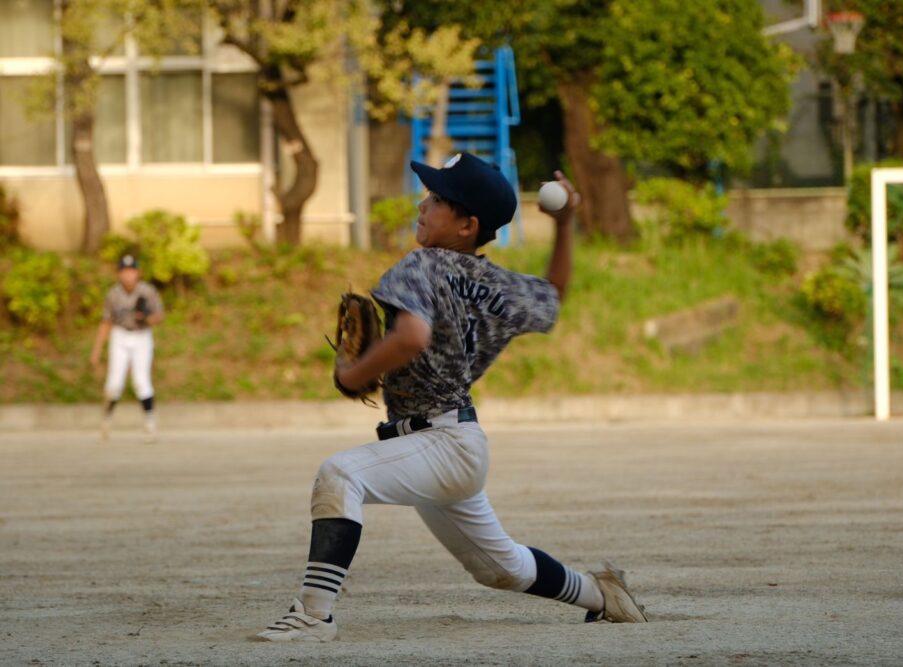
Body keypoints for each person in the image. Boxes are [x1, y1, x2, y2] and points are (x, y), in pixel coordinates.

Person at [258, 152, 647, 642]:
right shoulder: (493, 283)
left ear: (468, 224)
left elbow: (413, 336)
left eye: (440, 199)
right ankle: (601, 593)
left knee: (339, 474)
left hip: (441, 445)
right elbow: (554, 292)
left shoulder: (419, 265)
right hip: (454, 445)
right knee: (498, 567)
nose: (424, 204)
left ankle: (314, 615)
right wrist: (565, 225)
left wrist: (356, 373)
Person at [89, 254, 165, 443]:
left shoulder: (147, 291)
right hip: (120, 334)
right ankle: (106, 419)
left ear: (138, 273)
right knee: (114, 383)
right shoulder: (113, 294)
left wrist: (147, 317)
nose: (128, 275)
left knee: (141, 380)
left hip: (141, 335)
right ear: (119, 273)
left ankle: (150, 422)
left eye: (132, 271)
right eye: (124, 271)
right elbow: (106, 322)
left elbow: (159, 316)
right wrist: (97, 349)